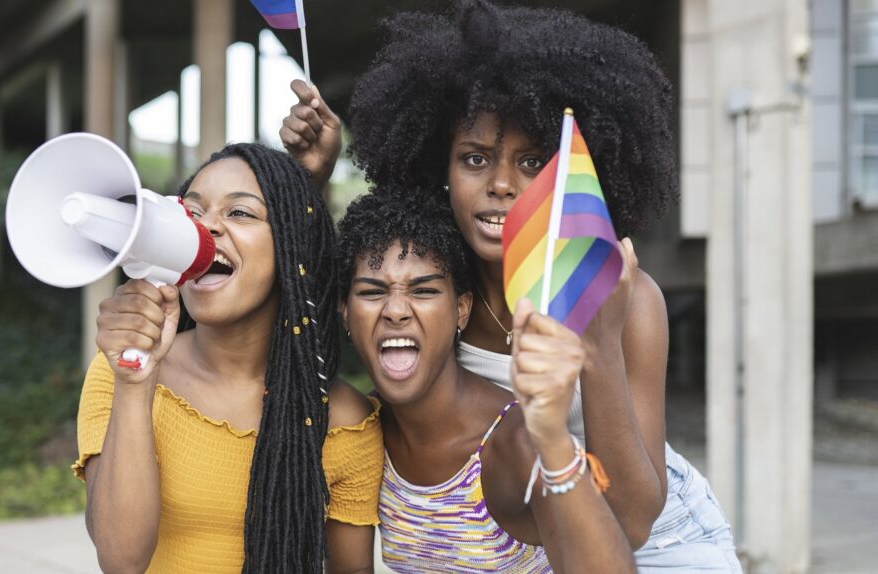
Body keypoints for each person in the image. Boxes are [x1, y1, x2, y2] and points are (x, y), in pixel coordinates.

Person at [282, 1, 740, 570]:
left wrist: (596, 342)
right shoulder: (435, 288)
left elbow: (636, 520)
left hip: (659, 537)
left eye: (531, 163)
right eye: (475, 159)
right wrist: (312, 182)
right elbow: (328, 298)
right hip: (531, 540)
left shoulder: (623, 294)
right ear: (438, 170)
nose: (501, 184)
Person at [72, 143, 383, 573]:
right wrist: (135, 385)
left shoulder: (344, 420)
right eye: (192, 213)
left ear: (293, 247)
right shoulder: (120, 369)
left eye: (239, 213)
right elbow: (120, 560)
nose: (207, 228)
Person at [338, 191, 635, 573]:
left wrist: (554, 444)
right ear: (345, 312)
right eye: (372, 292)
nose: (395, 310)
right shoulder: (360, 432)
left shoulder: (517, 443)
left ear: (461, 310)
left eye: (424, 290)